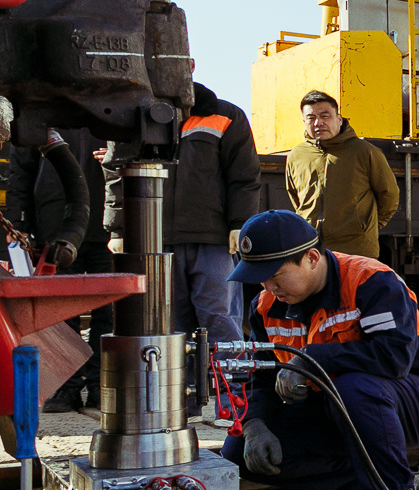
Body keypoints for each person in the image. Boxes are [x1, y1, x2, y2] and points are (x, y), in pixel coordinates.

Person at [221, 210, 419, 490]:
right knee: (237, 451)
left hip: (418, 399)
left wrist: (310, 361)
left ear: (311, 258)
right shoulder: (266, 306)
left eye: (276, 276)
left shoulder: (370, 281)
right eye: (260, 280)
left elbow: (394, 359)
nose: (269, 288)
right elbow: (260, 376)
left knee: (352, 387)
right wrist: (254, 424)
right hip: (338, 408)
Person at [106, 68, 264, 345]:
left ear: (188, 64)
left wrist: (240, 223)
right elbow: (116, 173)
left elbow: (244, 176)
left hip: (212, 241)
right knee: (169, 326)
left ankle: (228, 387)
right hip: (155, 243)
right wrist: (117, 228)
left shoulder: (225, 116)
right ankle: (181, 387)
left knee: (219, 319)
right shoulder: (128, 116)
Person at [7, 126, 109, 411]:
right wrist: (19, 226)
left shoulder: (113, 111)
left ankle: (104, 384)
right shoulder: (42, 118)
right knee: (61, 314)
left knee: (110, 313)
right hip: (56, 230)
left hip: (109, 229)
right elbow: (21, 175)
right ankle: (66, 386)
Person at [283, 91, 398, 261]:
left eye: (325, 115)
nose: (318, 123)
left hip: (356, 250)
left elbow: (389, 194)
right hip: (312, 250)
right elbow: (296, 197)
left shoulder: (365, 151)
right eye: (311, 117)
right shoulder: (296, 155)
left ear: (339, 118)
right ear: (304, 121)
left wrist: (366, 228)